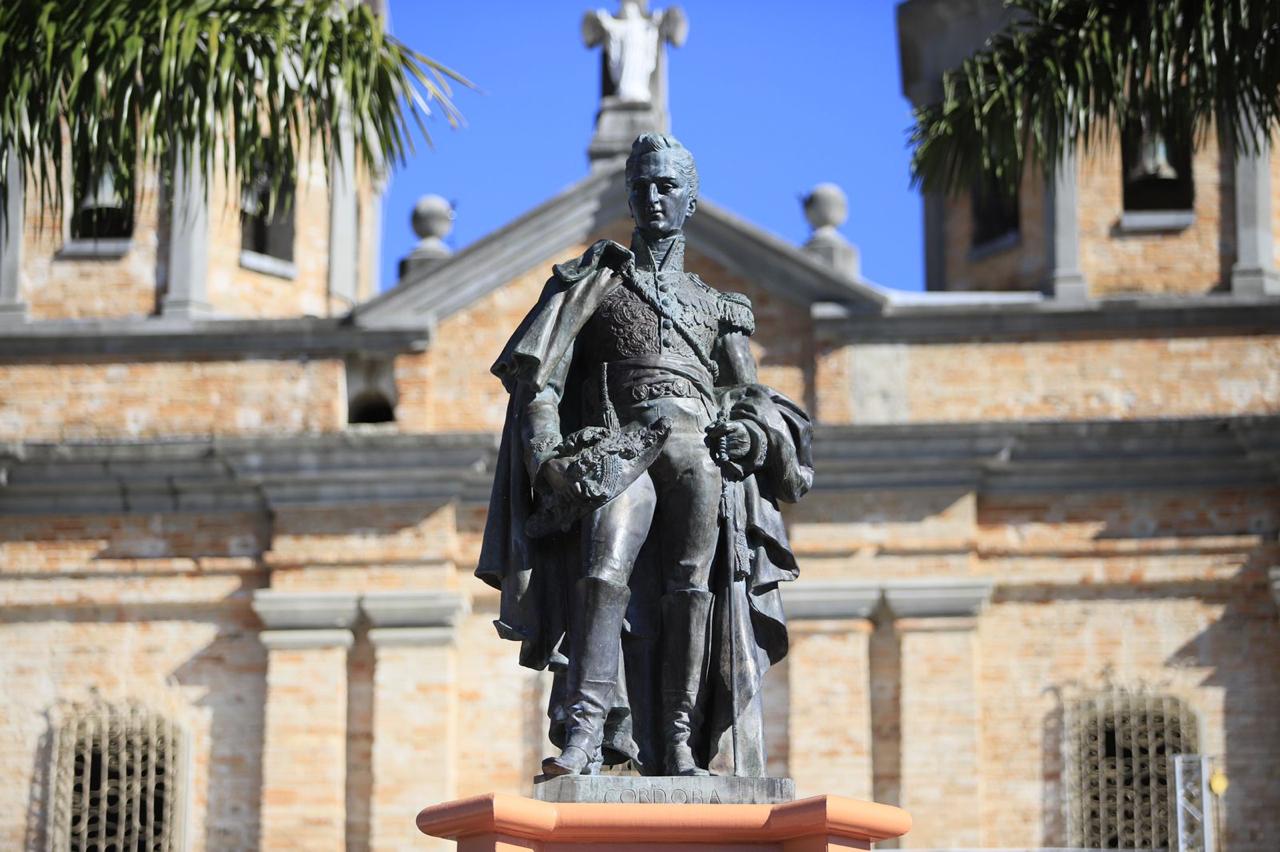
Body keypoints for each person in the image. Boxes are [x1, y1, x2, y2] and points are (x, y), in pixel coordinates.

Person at [477, 132, 813, 778]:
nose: (654, 197)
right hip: (621, 448)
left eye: (668, 187)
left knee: (692, 590)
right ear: (630, 196)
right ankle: (585, 736)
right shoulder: (594, 284)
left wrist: (751, 432)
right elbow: (540, 379)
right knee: (603, 576)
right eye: (643, 186)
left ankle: (682, 741)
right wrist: (546, 455)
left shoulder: (719, 308)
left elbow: (745, 394)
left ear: (690, 203)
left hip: (698, 449)